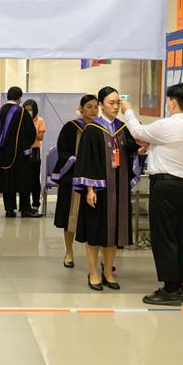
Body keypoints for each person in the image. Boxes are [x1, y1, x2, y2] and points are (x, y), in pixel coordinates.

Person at [121, 83, 183, 306]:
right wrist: (153, 146)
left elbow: (137, 131)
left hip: (167, 187)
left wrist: (127, 110)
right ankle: (177, 286)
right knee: (177, 235)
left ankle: (170, 290)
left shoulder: (169, 124)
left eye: (168, 101)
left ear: (173, 102)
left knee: (164, 237)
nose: (167, 105)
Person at [73, 87, 141, 291]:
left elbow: (130, 152)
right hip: (98, 191)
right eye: (111, 103)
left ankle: (108, 272)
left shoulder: (122, 128)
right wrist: (89, 189)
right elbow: (85, 161)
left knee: (114, 233)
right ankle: (94, 272)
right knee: (95, 232)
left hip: (118, 191)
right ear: (101, 105)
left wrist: (139, 150)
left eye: (118, 102)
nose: (115, 106)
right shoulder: (92, 130)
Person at [52, 94, 99, 268]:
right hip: (73, 178)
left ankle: (95, 259)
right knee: (69, 218)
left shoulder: (102, 127)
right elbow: (62, 151)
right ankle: (69, 252)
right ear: (80, 108)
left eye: (96, 106)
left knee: (95, 221)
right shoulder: (71, 127)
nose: (93, 110)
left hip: (95, 180)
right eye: (89, 106)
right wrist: (78, 161)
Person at [0, 86, 42, 218]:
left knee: (7, 180)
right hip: (18, 155)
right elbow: (31, 133)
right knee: (23, 180)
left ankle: (9, 209)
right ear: (20, 98)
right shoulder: (22, 112)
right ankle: (25, 209)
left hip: (1, 154)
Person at [23, 99, 46, 212]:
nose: (28, 112)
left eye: (30, 110)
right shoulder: (21, 120)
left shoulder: (39, 120)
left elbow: (40, 137)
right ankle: (24, 204)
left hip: (35, 152)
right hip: (23, 151)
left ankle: (36, 203)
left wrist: (31, 131)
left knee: (35, 179)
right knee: (24, 179)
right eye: (26, 110)